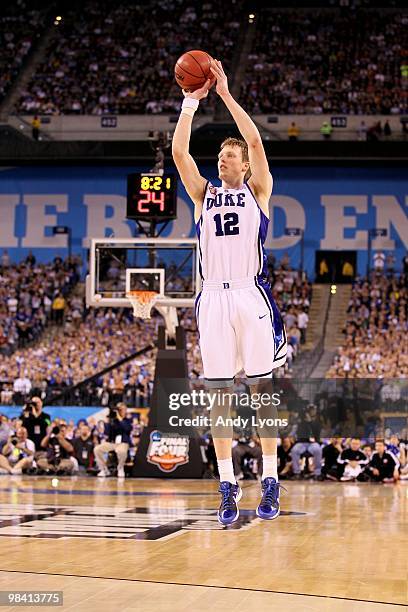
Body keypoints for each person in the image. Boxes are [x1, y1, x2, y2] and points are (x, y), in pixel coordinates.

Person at [172, 59, 287, 525]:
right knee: (218, 395)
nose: (222, 160)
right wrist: (190, 103)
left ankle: (271, 478)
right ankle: (226, 483)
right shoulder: (204, 194)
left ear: (244, 163)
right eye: (219, 156)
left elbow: (255, 139)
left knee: (263, 393)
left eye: (229, 156)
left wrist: (223, 94)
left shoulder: (258, 190)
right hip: (213, 299)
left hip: (248, 293)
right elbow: (180, 155)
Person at [94, 403, 132, 478]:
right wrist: (107, 422)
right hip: (112, 443)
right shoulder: (113, 420)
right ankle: (104, 469)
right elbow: (107, 433)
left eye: (122, 409)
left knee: (121, 451)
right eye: (119, 409)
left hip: (123, 443)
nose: (120, 411)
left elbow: (127, 429)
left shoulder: (128, 420)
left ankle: (120, 468)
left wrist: (120, 418)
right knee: (97, 449)